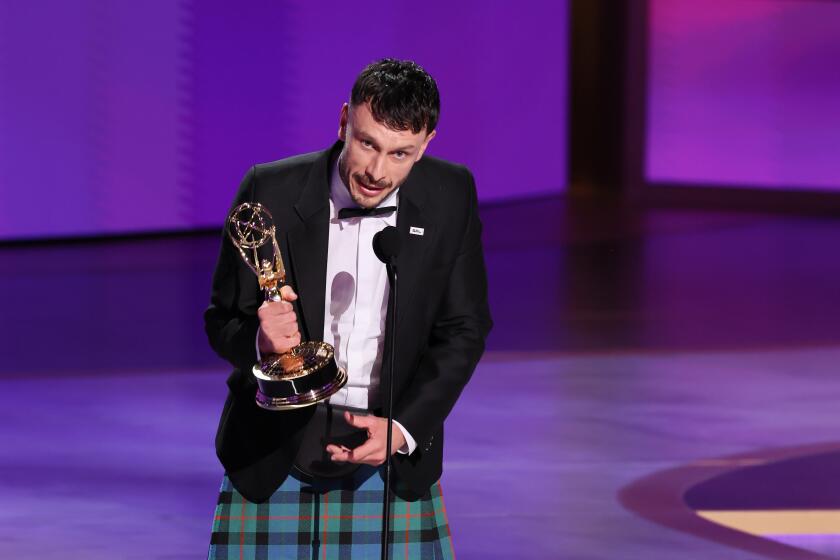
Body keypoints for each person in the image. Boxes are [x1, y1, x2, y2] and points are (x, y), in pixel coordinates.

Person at [205, 58, 492, 559]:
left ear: (428, 143)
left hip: (390, 454)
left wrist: (403, 429)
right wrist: (258, 340)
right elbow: (220, 320)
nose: (378, 171)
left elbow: (464, 329)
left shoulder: (451, 196)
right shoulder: (268, 190)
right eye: (367, 143)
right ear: (343, 121)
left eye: (401, 153)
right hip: (274, 452)